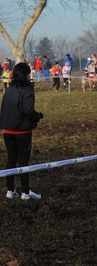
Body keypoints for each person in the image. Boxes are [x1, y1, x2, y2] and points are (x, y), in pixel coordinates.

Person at [0, 62, 44, 200]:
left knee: (11, 160)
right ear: (26, 74)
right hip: (22, 132)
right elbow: (28, 110)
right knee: (23, 162)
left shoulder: (9, 90)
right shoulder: (27, 89)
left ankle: (10, 190)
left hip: (8, 131)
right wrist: (38, 116)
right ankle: (25, 192)